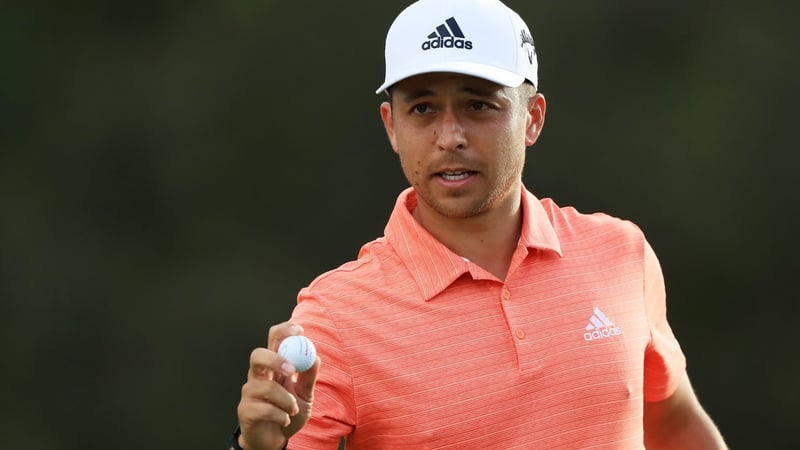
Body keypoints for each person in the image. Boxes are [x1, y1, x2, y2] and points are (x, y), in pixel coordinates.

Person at [232, 0, 728, 448]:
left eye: (478, 105)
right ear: (391, 126)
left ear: (532, 118)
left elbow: (675, 423)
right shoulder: (337, 317)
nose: (450, 136)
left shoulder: (620, 253)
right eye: (423, 108)